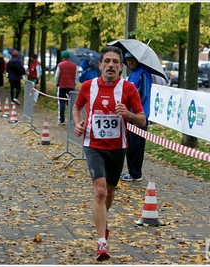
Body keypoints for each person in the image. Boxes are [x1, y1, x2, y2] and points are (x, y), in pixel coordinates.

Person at [72, 46, 146, 261]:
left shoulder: (129, 89)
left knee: (110, 192)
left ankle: (103, 222)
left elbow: (142, 120)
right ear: (100, 64)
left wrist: (128, 114)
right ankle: (101, 242)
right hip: (93, 145)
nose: (111, 65)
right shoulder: (88, 86)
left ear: (121, 67)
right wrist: (78, 125)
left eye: (116, 62)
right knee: (100, 192)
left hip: (118, 147)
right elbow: (77, 108)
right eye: (108, 61)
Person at [120, 52, 153, 182]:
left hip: (139, 116)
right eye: (127, 60)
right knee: (130, 145)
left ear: (137, 59)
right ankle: (131, 171)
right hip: (130, 115)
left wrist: (134, 107)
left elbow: (143, 94)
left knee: (137, 146)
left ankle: (136, 173)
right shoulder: (133, 73)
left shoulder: (143, 73)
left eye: (132, 60)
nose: (130, 63)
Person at [54, 50, 78, 125]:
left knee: (61, 103)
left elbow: (57, 76)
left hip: (62, 86)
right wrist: (74, 84)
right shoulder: (74, 65)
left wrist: (56, 83)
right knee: (71, 104)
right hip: (71, 86)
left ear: (63, 57)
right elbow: (76, 76)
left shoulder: (60, 65)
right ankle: (71, 120)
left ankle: (61, 120)